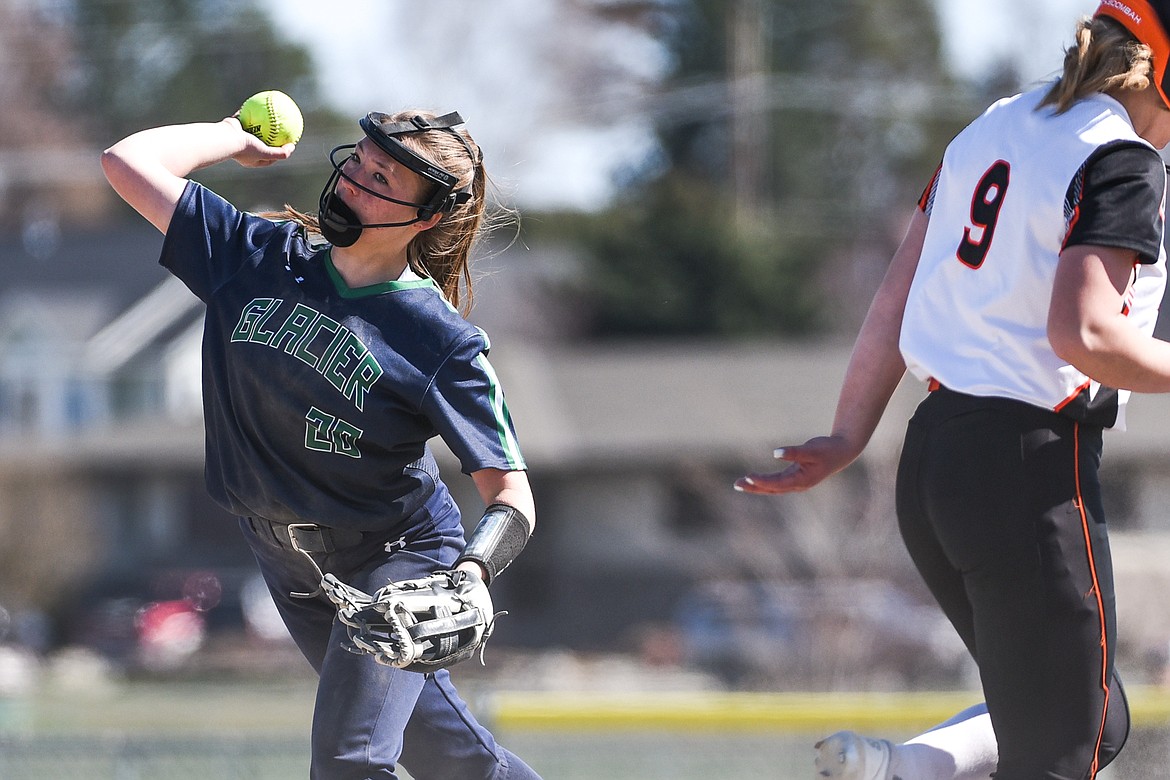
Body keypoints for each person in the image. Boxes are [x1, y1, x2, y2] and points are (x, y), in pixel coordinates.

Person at [737, 2, 1170, 777]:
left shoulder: (998, 123)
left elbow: (897, 293)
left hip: (933, 462)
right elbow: (1088, 335)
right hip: (1030, 471)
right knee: (1063, 750)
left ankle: (905, 769)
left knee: (1093, 719)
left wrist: (848, 432)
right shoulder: (1122, 157)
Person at [101, 104, 542, 779]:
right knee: (451, 759)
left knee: (349, 762)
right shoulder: (252, 256)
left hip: (396, 559)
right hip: (293, 567)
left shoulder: (438, 339)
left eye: (382, 181)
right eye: (359, 165)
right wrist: (229, 138)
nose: (353, 184)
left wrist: (472, 576)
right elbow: (125, 163)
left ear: (425, 217)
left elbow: (510, 492)